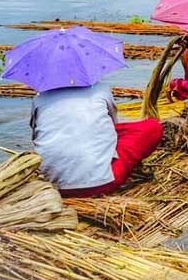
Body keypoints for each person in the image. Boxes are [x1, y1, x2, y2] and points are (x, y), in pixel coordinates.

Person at [31, 84, 162, 198]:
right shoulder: (101, 90)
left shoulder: (40, 98)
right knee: (153, 127)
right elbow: (112, 126)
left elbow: (36, 137)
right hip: (102, 184)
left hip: (53, 187)